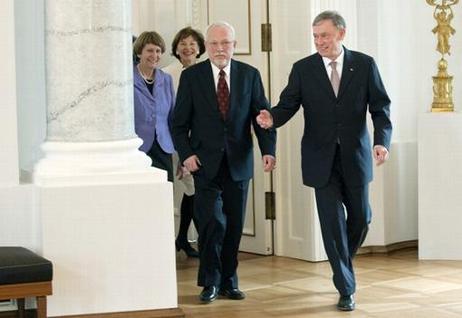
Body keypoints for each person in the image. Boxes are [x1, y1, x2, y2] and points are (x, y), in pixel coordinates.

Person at [256, 11, 392, 311]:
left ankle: (341, 263)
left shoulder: (365, 64)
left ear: (341, 34)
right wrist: (271, 119)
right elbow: (288, 104)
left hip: (355, 157)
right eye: (315, 36)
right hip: (321, 160)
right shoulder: (303, 69)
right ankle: (346, 287)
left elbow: (381, 108)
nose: (319, 41)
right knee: (332, 224)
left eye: (325, 36)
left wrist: (382, 141)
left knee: (361, 218)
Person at [172, 21, 276, 304]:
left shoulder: (250, 75)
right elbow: (178, 124)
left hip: (239, 164)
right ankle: (210, 281)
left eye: (225, 43)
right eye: (215, 43)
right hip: (204, 164)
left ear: (234, 44)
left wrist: (269, 150)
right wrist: (187, 155)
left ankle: (230, 279)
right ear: (208, 46)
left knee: (233, 226)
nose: (220, 49)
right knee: (211, 224)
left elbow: (262, 118)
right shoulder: (192, 77)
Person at [164, 27, 206, 258]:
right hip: (177, 140)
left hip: (201, 141)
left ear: (199, 48)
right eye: (182, 43)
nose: (187, 48)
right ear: (176, 48)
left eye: (192, 44)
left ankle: (182, 238)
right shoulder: (167, 74)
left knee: (194, 190)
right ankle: (202, 242)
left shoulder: (207, 72)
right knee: (192, 189)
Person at [133, 31, 175, 181]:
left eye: (158, 51)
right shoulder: (127, 79)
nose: (155, 55)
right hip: (138, 149)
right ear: (139, 53)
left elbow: (172, 117)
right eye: (150, 50)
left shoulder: (166, 79)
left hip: (163, 147)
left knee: (164, 194)